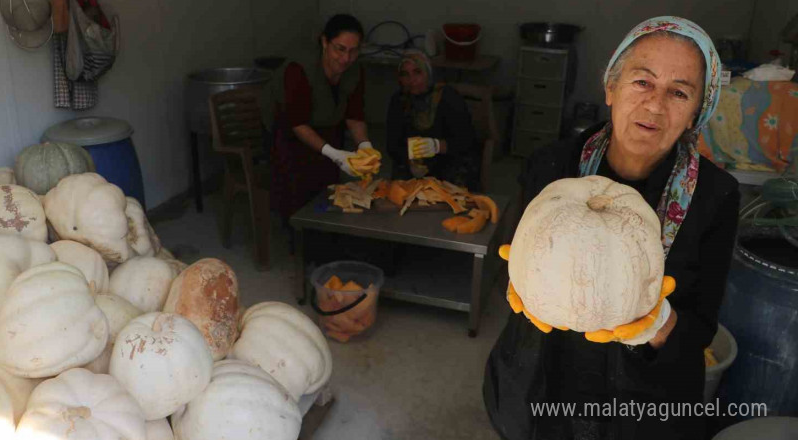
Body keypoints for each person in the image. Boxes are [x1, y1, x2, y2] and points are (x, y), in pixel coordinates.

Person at [483, 16, 740, 440]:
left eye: (679, 92)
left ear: (696, 112)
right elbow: (511, 261)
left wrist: (657, 324)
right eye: (642, 82)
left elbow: (701, 327)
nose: (655, 105)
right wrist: (517, 279)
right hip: (540, 379)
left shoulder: (716, 196)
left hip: (639, 405)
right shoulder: (552, 165)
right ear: (611, 87)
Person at [261, 14, 379, 222]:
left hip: (326, 126)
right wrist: (334, 154)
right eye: (340, 49)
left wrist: (364, 145)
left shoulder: (355, 70)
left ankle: (326, 228)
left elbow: (354, 114)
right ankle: (296, 232)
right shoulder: (299, 69)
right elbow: (297, 123)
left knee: (330, 185)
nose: (345, 59)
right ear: (325, 42)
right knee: (298, 185)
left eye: (353, 51)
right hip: (288, 131)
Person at [385, 50, 480, 189]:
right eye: (405, 74)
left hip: (449, 160)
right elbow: (392, 144)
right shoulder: (399, 101)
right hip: (414, 164)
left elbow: (466, 141)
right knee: (399, 187)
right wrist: (410, 161)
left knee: (455, 181)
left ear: (428, 74)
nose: (412, 80)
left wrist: (437, 146)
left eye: (418, 72)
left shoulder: (448, 97)